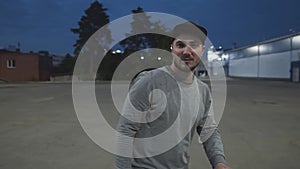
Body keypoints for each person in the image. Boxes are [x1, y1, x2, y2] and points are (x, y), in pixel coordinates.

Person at [115, 21, 231, 169]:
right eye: (180, 45)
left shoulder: (203, 91)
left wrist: (219, 162)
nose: (186, 52)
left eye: (193, 45)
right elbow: (126, 130)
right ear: (172, 49)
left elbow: (209, 131)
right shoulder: (149, 81)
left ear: (202, 50)